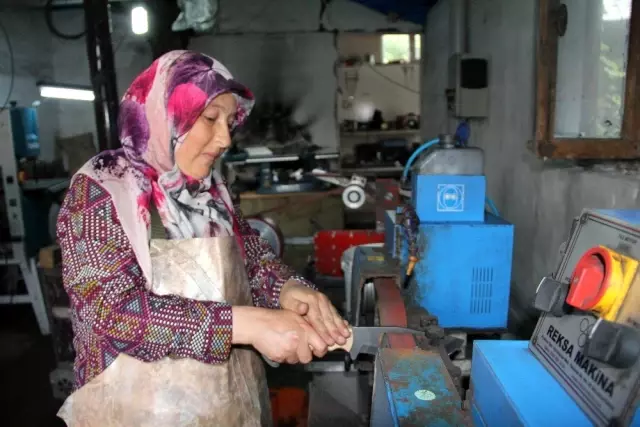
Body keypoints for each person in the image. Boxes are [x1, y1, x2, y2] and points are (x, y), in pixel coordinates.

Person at [55, 50, 350, 427]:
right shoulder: (103, 190)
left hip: (226, 407)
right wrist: (244, 325)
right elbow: (111, 312)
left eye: (230, 122)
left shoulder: (212, 190)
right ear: (167, 114)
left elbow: (250, 257)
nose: (225, 138)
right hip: (133, 412)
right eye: (210, 119)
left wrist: (287, 288)